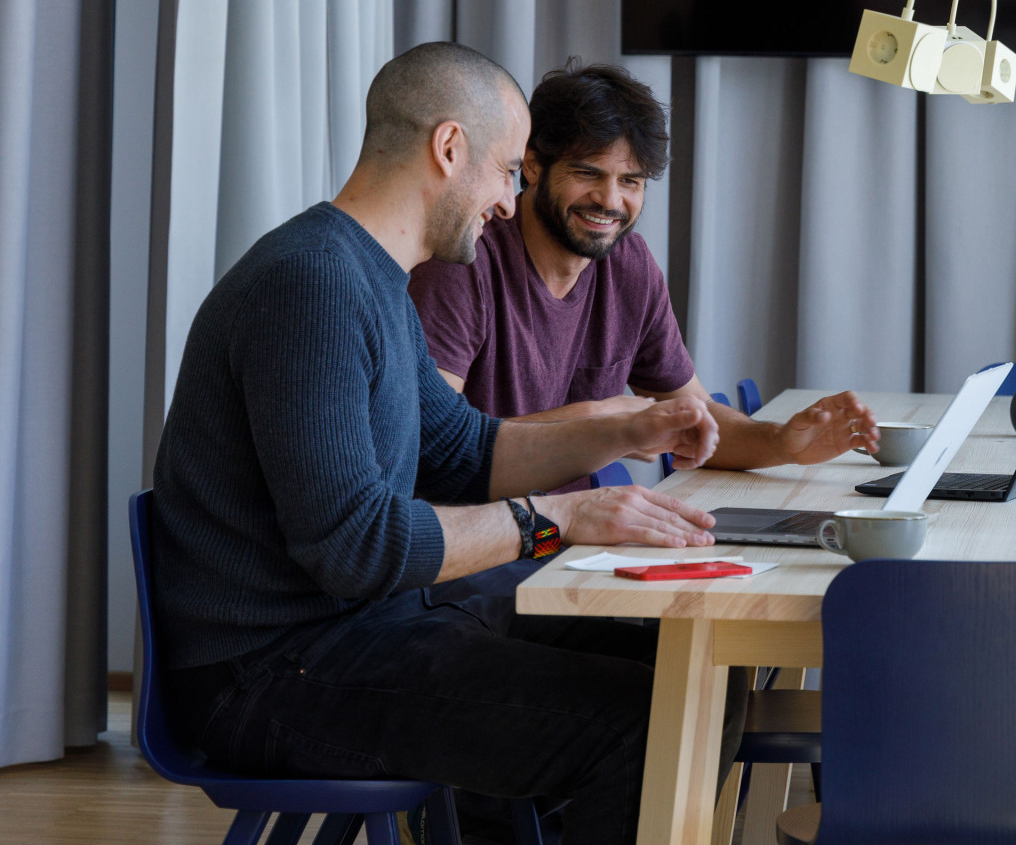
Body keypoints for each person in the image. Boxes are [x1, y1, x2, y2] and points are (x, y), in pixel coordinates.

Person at [152, 42, 725, 842]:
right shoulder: (311, 284)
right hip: (273, 672)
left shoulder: (371, 277)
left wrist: (625, 442)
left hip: (363, 630)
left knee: (682, 677)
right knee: (641, 723)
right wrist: (560, 519)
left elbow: (467, 450)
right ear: (449, 149)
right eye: (505, 171)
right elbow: (355, 545)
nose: (509, 198)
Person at [408, 58, 881, 471]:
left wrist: (782, 443)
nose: (610, 200)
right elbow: (431, 447)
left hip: (564, 533)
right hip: (487, 540)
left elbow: (694, 420)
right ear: (531, 165)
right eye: (587, 173)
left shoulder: (628, 265)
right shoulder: (462, 262)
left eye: (631, 181)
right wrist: (599, 421)